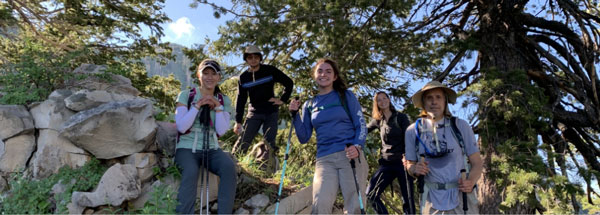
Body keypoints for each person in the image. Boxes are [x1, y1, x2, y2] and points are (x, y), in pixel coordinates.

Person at [288, 58, 368, 214]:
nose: (323, 74)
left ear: (335, 77)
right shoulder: (310, 104)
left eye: (328, 71)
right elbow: (304, 137)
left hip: (350, 155)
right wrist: (294, 114)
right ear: (314, 75)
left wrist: (357, 146)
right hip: (324, 159)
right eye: (320, 71)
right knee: (320, 203)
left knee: (354, 206)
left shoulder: (346, 96)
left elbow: (361, 124)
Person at [404, 81, 483, 214]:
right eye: (429, 97)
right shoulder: (413, 131)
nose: (434, 102)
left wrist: (470, 181)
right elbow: (410, 164)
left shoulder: (460, 126)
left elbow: (477, 162)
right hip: (430, 199)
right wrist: (414, 168)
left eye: (438, 97)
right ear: (423, 102)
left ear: (445, 101)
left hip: (461, 197)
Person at [174, 59, 236, 214]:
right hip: (186, 148)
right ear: (198, 75)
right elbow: (182, 127)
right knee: (191, 170)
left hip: (212, 149)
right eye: (205, 73)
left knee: (229, 168)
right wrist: (197, 106)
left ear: (219, 77)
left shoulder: (224, 100)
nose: (209, 77)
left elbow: (221, 131)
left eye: (213, 74)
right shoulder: (186, 96)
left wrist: (218, 108)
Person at [232, 45, 294, 159]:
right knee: (244, 140)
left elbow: (289, 82)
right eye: (250, 57)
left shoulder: (270, 70)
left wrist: (282, 99)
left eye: (256, 56)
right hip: (254, 112)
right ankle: (233, 163)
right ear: (246, 60)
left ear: (260, 58)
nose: (253, 59)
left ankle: (267, 170)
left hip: (271, 111)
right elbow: (241, 99)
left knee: (269, 143)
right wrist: (238, 121)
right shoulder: (243, 77)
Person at [366, 91, 415, 214]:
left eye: (384, 98)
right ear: (376, 104)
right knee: (371, 194)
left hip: (403, 162)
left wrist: (410, 160)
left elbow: (410, 138)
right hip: (386, 163)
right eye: (379, 100)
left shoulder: (401, 117)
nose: (383, 101)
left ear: (389, 99)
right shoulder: (378, 121)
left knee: (408, 200)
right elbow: (363, 131)